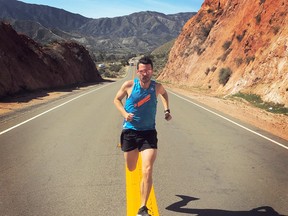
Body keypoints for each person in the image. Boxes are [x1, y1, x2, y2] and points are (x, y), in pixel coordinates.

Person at [114, 56, 172, 216]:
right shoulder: (129, 85)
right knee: (131, 167)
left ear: (152, 71)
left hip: (148, 133)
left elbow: (165, 95)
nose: (145, 73)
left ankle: (142, 208)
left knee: (147, 169)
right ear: (137, 71)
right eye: (142, 71)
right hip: (130, 132)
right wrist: (125, 113)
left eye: (148, 70)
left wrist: (167, 110)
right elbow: (116, 100)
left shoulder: (157, 87)